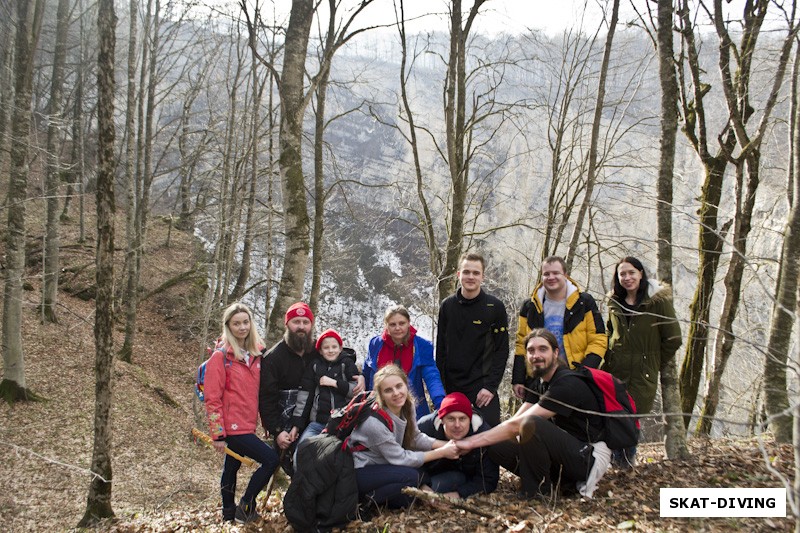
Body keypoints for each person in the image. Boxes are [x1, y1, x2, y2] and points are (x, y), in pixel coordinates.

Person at [455, 329, 611, 501]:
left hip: (588, 457)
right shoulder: (540, 383)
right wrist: (479, 437)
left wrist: (471, 442)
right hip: (563, 453)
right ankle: (553, 484)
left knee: (532, 424)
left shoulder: (567, 383)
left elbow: (520, 424)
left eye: (543, 349)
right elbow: (513, 422)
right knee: (495, 442)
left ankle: (536, 494)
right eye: (531, 351)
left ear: (556, 352)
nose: (536, 355)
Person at [204, 302, 279, 524]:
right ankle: (246, 505)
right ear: (228, 326)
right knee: (271, 460)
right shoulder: (220, 358)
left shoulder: (257, 354)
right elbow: (212, 398)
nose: (242, 327)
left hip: (248, 423)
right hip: (232, 427)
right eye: (236, 323)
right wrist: (218, 434)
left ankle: (228, 514)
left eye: (246, 322)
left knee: (231, 467)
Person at [603, 257, 682, 466]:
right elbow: (609, 333)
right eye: (622, 274)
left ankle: (626, 462)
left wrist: (653, 361)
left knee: (631, 419)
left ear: (640, 273)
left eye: (631, 273)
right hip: (615, 370)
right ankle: (613, 461)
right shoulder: (614, 302)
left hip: (642, 372)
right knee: (612, 416)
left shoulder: (657, 301)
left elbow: (673, 337)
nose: (627, 278)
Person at [348, 365, 461, 509]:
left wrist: (448, 444)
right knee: (414, 476)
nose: (396, 393)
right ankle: (364, 501)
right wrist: (442, 452)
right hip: (361, 471)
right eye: (388, 390)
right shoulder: (374, 423)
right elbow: (400, 458)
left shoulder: (407, 407)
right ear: (381, 395)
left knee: (406, 498)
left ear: (406, 385)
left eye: (399, 386)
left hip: (383, 466)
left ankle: (410, 497)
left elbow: (415, 438)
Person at [511, 256, 606, 399]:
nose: (551, 277)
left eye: (556, 273)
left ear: (565, 275)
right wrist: (518, 379)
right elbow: (521, 344)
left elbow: (598, 339)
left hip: (574, 376)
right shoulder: (530, 306)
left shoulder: (584, 302)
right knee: (533, 419)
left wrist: (584, 372)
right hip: (538, 377)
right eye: (546, 274)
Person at [436, 251, 509, 427]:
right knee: (451, 438)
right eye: (466, 272)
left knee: (490, 438)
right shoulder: (447, 306)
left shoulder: (495, 307)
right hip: (452, 388)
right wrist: (443, 388)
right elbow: (441, 350)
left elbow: (502, 350)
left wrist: (491, 387)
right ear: (458, 274)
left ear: (482, 277)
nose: (471, 276)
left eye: (476, 273)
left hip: (482, 388)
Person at [364, 304, 445, 419]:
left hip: (413, 408)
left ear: (408, 323)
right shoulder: (376, 344)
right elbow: (367, 371)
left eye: (402, 323)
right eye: (392, 324)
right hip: (379, 407)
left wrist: (441, 403)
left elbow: (432, 377)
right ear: (386, 326)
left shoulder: (422, 346)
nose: (397, 328)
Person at [417, 392, 499, 499]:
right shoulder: (424, 428)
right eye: (451, 419)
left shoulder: (483, 433)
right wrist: (422, 486)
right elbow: (408, 460)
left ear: (470, 420)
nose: (457, 425)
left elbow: (488, 480)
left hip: (463, 479)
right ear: (441, 420)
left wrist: (459, 494)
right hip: (429, 476)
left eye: (462, 419)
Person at [291, 328, 360, 454]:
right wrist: (296, 425)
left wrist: (334, 383)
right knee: (301, 453)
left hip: (343, 425)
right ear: (321, 351)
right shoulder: (315, 366)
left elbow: (355, 391)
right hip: (318, 423)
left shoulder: (347, 364)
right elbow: (304, 396)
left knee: (339, 458)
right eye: (326, 347)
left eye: (334, 347)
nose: (331, 350)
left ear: (340, 348)